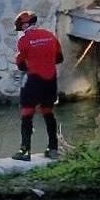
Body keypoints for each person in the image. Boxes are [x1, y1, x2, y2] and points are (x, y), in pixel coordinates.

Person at [12, 11, 62, 161]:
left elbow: (20, 64)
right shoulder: (50, 35)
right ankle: (53, 148)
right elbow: (60, 57)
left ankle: (25, 150)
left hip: (33, 80)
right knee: (48, 112)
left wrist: (32, 64)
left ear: (25, 25)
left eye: (21, 27)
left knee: (27, 113)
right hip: (50, 80)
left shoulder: (23, 41)